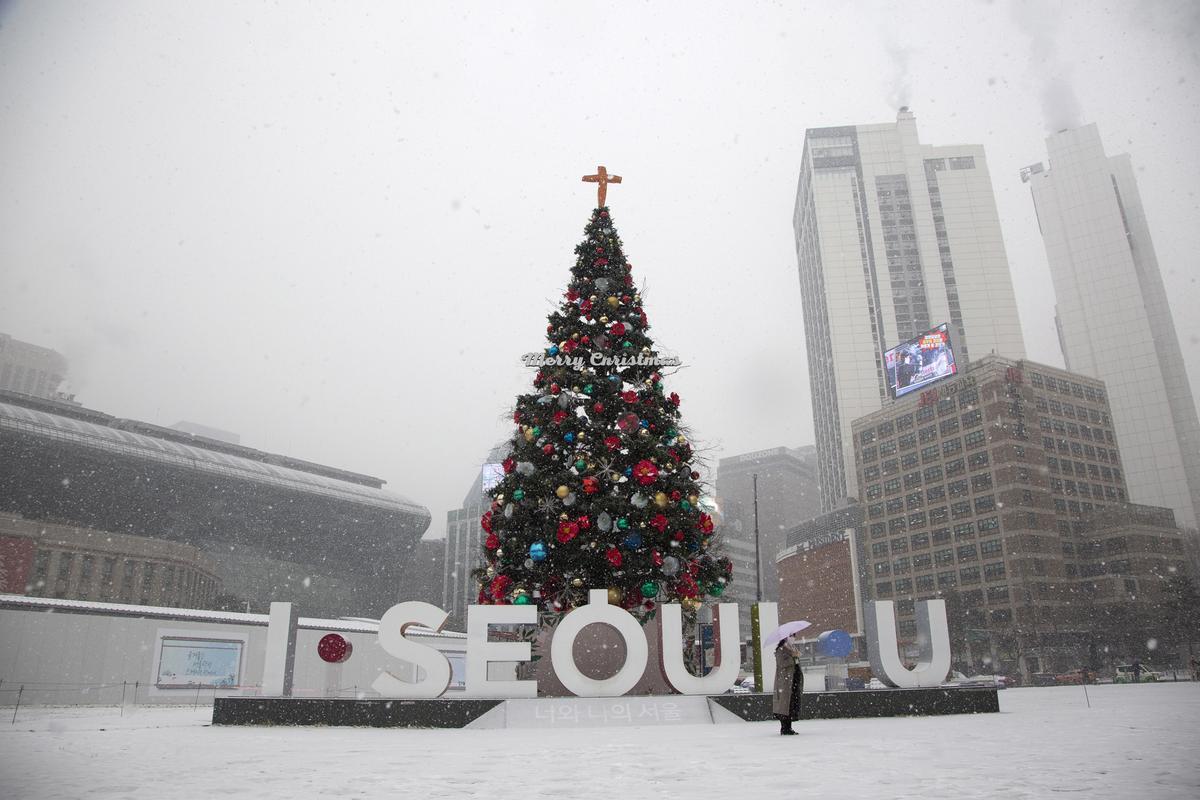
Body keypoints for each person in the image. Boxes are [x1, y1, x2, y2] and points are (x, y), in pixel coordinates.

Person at [773, 636, 804, 736]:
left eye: (794, 635)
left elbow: (796, 663)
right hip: (785, 683)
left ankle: (789, 727)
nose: (793, 638)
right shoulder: (780, 649)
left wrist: (796, 656)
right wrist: (793, 657)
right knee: (784, 706)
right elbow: (782, 663)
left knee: (791, 705)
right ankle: (784, 728)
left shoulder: (792, 648)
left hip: (793, 681)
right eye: (791, 636)